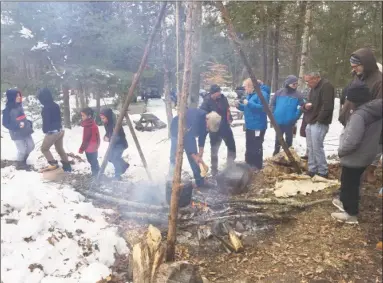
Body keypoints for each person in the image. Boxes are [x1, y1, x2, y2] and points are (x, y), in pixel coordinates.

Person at [331, 82, 382, 224]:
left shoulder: (359, 115)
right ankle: (347, 204)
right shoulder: (375, 110)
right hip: (367, 152)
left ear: (353, 99)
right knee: (355, 182)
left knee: (349, 183)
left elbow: (352, 141)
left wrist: (341, 151)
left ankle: (350, 213)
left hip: (355, 155)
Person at [339, 48, 382, 183]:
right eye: (352, 66)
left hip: (365, 124)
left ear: (366, 63)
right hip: (352, 120)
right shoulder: (358, 76)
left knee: (359, 157)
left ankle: (353, 192)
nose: (354, 69)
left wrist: (360, 116)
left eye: (356, 66)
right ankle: (351, 188)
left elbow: (378, 107)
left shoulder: (379, 81)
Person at [169, 108, 221, 188]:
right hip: (177, 130)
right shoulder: (196, 119)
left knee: (196, 160)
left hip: (189, 134)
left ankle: (200, 182)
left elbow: (202, 136)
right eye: (208, 126)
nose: (207, 128)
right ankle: (171, 182)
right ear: (207, 120)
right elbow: (187, 139)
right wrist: (194, 155)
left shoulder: (208, 122)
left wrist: (200, 153)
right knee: (175, 157)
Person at [302, 71, 335, 178]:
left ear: (316, 78)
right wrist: (306, 106)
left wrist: (319, 119)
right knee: (310, 147)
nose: (307, 84)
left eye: (308, 81)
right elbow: (309, 102)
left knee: (317, 147)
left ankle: (323, 170)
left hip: (319, 122)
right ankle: (312, 168)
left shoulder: (326, 86)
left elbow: (327, 106)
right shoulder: (313, 88)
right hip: (311, 121)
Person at [200, 84, 236, 175]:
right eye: (218, 92)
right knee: (214, 149)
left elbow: (227, 109)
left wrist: (230, 118)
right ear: (213, 93)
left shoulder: (223, 98)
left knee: (231, 146)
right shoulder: (207, 101)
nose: (220, 93)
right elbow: (203, 114)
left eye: (220, 91)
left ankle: (230, 165)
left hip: (225, 126)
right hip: (214, 129)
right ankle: (214, 169)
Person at [236, 78, 270, 170]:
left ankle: (257, 166)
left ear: (251, 86)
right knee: (249, 146)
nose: (245, 90)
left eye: (246, 87)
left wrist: (249, 104)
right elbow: (248, 108)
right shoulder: (250, 95)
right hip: (250, 125)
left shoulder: (262, 94)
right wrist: (239, 106)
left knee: (256, 146)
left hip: (258, 126)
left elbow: (264, 108)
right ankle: (249, 164)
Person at [38, 88, 72, 172]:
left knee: (44, 149)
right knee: (60, 149)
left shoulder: (46, 108)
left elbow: (46, 121)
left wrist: (45, 130)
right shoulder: (55, 105)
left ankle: (53, 164)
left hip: (52, 132)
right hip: (60, 130)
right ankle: (67, 166)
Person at [270, 75, 304, 156]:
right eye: (293, 84)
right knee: (278, 140)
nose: (295, 86)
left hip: (289, 122)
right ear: (288, 84)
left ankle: (288, 157)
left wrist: (294, 118)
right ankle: (276, 156)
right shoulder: (279, 92)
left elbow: (301, 108)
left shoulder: (298, 95)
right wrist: (274, 114)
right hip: (278, 121)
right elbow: (272, 104)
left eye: (296, 84)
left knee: (289, 141)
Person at [2, 89, 35, 170]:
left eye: (19, 95)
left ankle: (23, 160)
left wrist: (29, 123)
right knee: (22, 150)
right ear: (12, 97)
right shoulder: (7, 110)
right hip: (16, 133)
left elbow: (22, 117)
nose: (19, 97)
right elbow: (5, 123)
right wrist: (17, 126)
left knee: (31, 146)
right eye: (17, 96)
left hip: (25, 130)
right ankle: (20, 164)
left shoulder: (19, 106)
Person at [100, 108, 130, 180]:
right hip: (113, 144)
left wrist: (109, 138)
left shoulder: (116, 124)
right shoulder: (106, 123)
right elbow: (109, 133)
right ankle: (124, 165)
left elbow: (118, 137)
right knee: (110, 158)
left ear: (108, 116)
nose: (102, 120)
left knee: (115, 158)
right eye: (101, 118)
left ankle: (117, 175)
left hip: (120, 144)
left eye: (103, 118)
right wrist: (106, 136)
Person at [79, 107, 100, 176]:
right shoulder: (93, 124)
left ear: (89, 116)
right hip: (94, 147)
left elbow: (86, 140)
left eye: (83, 115)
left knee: (92, 162)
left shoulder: (88, 126)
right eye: (81, 115)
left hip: (89, 148)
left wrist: (81, 149)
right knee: (94, 161)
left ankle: (96, 176)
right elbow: (98, 136)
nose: (82, 117)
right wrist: (97, 145)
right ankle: (98, 173)